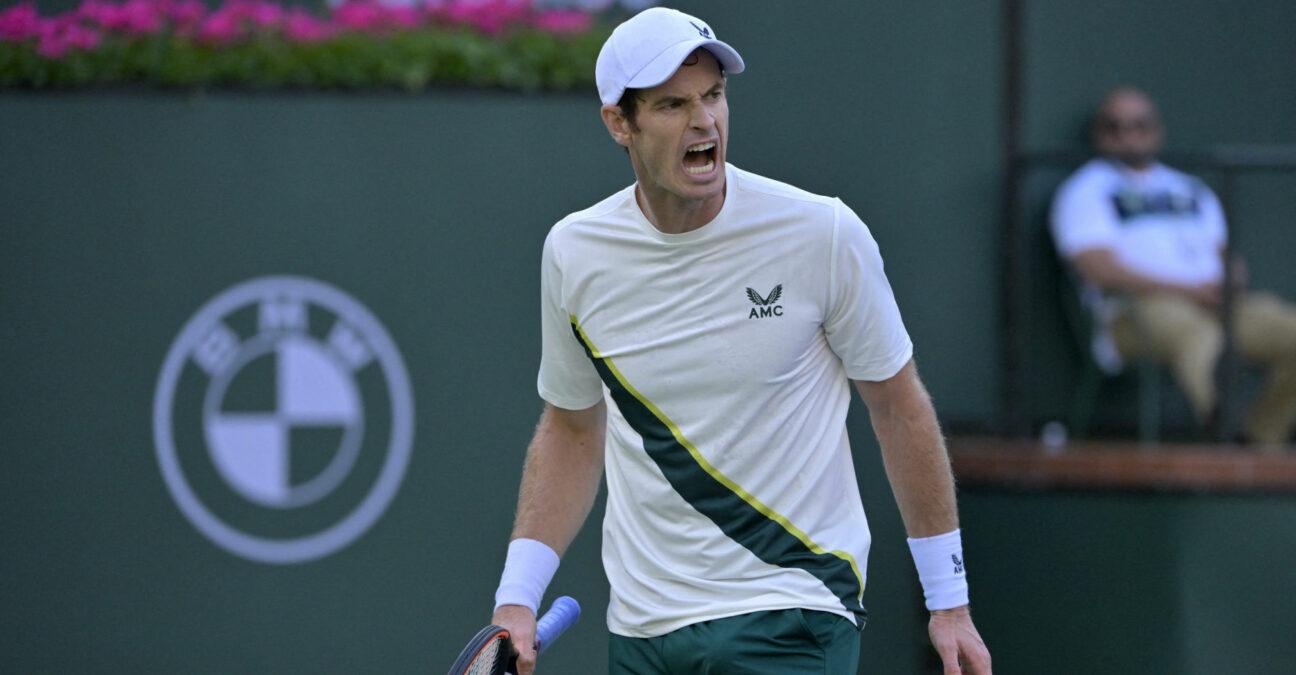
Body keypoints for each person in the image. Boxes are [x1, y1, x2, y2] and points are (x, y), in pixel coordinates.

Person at [489, 7, 993, 674]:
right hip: (643, 630)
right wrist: (517, 598)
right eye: (672, 105)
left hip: (792, 608)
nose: (704, 123)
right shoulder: (575, 252)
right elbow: (573, 429)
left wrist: (949, 599)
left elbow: (899, 405)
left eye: (714, 96)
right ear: (620, 123)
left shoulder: (824, 233)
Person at [1050, 86, 1296, 447]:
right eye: (1115, 127)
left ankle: (1259, 443)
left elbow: (1222, 253)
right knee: (1200, 337)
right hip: (1134, 313)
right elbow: (1096, 268)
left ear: (1158, 130)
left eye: (1140, 125)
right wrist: (1185, 290)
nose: (1129, 136)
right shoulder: (1086, 189)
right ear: (1099, 135)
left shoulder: (1190, 187)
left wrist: (1232, 278)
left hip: (1214, 303)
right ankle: (1225, 434)